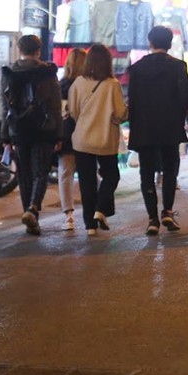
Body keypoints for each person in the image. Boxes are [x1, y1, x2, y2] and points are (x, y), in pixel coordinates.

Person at [128, 26, 188, 236]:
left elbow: (133, 101)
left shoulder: (136, 68)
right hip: (170, 127)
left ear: (150, 43)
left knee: (146, 173)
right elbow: (184, 99)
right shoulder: (178, 66)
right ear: (170, 44)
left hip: (144, 128)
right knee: (170, 170)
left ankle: (152, 219)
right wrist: (180, 120)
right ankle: (167, 211)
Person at [0, 34, 63, 236]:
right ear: (38, 50)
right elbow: (55, 106)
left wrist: (5, 137)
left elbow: (5, 108)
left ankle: (29, 214)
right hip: (43, 130)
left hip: (18, 130)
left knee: (24, 174)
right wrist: (59, 134)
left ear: (19, 49)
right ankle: (33, 208)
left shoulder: (9, 72)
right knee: (40, 173)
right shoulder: (47, 72)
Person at [69, 43, 129, 236]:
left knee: (87, 182)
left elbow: (73, 111)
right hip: (105, 140)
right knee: (111, 175)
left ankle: (90, 226)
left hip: (82, 140)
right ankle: (101, 210)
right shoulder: (112, 85)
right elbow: (120, 114)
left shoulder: (78, 82)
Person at [58, 47, 87, 231]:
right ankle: (96, 209)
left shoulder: (60, 86)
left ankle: (68, 215)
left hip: (65, 135)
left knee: (65, 174)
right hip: (85, 135)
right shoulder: (88, 86)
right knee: (89, 173)